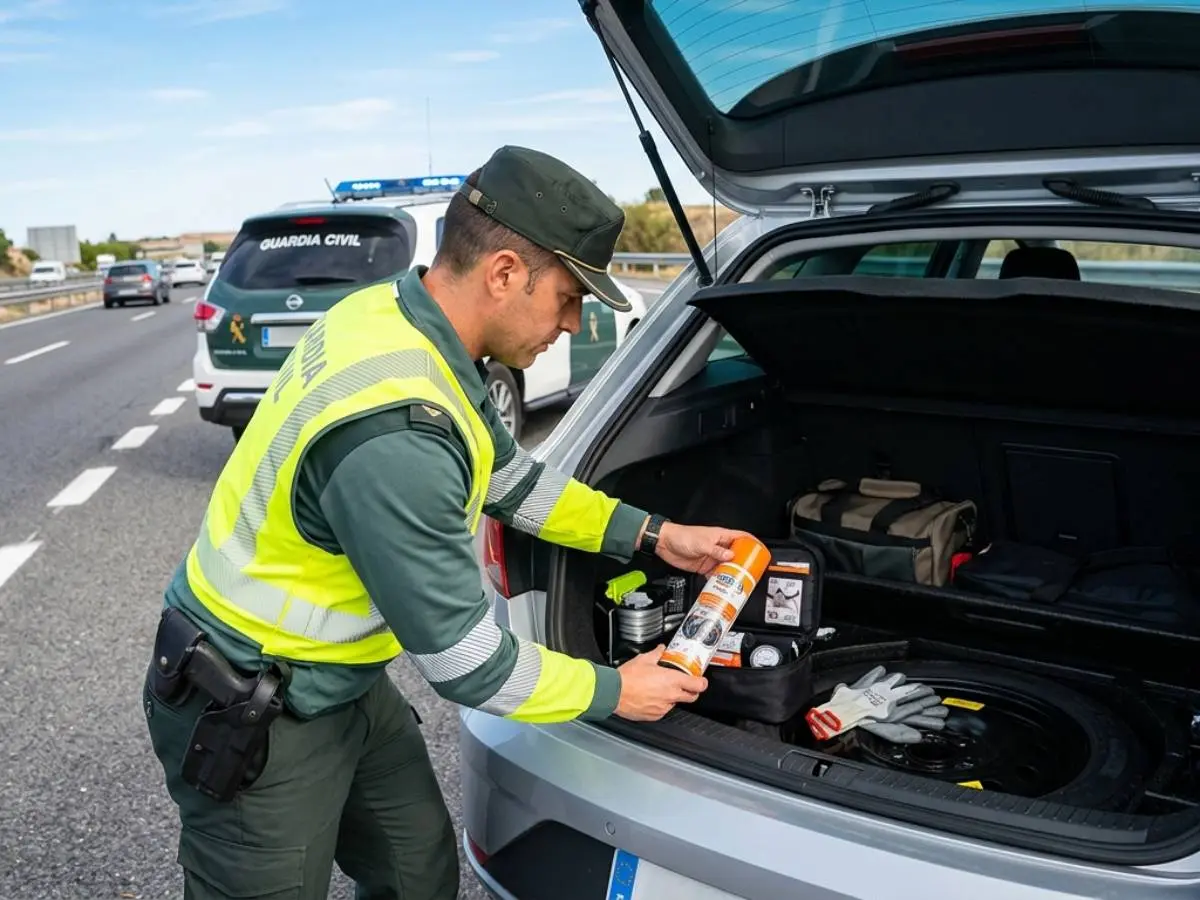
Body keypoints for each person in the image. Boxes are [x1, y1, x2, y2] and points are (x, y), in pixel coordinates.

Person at [141, 144, 756, 900]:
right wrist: (616, 690)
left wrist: (658, 537)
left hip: (343, 683)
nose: (572, 324)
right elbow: (468, 664)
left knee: (416, 872)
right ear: (502, 273)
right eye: (567, 296)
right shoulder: (395, 434)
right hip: (253, 702)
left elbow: (513, 480)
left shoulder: (403, 318)